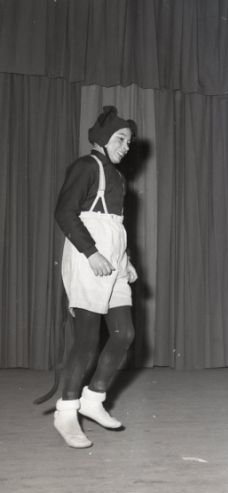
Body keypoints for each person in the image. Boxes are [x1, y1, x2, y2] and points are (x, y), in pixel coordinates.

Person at [53, 106, 138, 448]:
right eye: (121, 139)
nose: (126, 147)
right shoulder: (86, 166)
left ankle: (93, 399)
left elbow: (114, 227)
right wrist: (91, 252)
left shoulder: (118, 177)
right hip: (88, 258)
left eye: (129, 142)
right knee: (87, 340)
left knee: (124, 333)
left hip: (113, 261)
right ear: (103, 138)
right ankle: (66, 411)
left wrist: (126, 260)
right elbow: (64, 212)